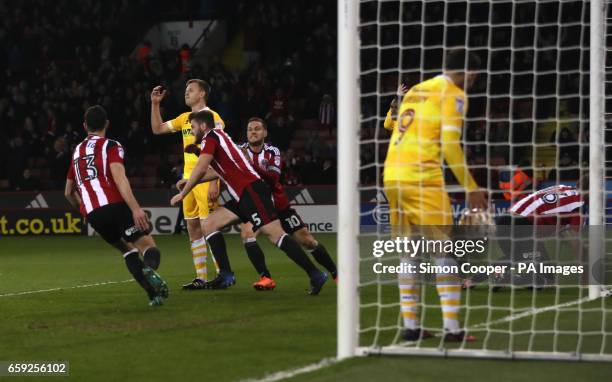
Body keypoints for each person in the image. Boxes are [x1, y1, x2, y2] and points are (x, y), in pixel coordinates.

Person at [383, 49, 488, 342]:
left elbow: (394, 128)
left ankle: (411, 326)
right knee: (443, 250)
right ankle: (453, 329)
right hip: (422, 176)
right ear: (468, 72)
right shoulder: (453, 93)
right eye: (474, 76)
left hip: (392, 174)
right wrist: (471, 186)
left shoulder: (417, 89)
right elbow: (451, 145)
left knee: (409, 253)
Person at [170, 110, 328, 295]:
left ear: (203, 126)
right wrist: (192, 172)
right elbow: (220, 170)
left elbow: (202, 167)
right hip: (241, 195)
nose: (192, 131)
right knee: (209, 224)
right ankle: (226, 274)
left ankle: (315, 274)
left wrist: (184, 192)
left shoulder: (211, 137)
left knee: (275, 235)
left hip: (251, 190)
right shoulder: (217, 137)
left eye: (194, 127)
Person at [64, 105, 168, 306]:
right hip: (115, 206)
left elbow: (68, 192)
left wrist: (84, 211)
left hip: (94, 214)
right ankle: (149, 269)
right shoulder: (111, 145)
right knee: (149, 248)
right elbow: (120, 178)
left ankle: (153, 295)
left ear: (85, 126)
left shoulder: (77, 152)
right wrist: (136, 208)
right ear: (107, 124)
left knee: (127, 250)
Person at [237, 117, 338, 291]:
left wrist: (250, 163)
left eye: (257, 128)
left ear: (265, 133)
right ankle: (266, 278)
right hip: (257, 206)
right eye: (250, 129)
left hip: (279, 205)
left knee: (307, 240)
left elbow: (273, 177)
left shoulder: (272, 151)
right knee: (247, 233)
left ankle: (336, 274)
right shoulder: (239, 151)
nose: (253, 132)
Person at [150, 79, 223, 290]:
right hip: (188, 179)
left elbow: (220, 150)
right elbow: (157, 129)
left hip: (206, 177)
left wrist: (213, 183)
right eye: (185, 90)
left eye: (191, 90)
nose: (186, 93)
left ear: (202, 94)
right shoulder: (185, 118)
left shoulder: (213, 118)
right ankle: (201, 277)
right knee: (193, 227)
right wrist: (155, 104)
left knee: (209, 226)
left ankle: (222, 274)